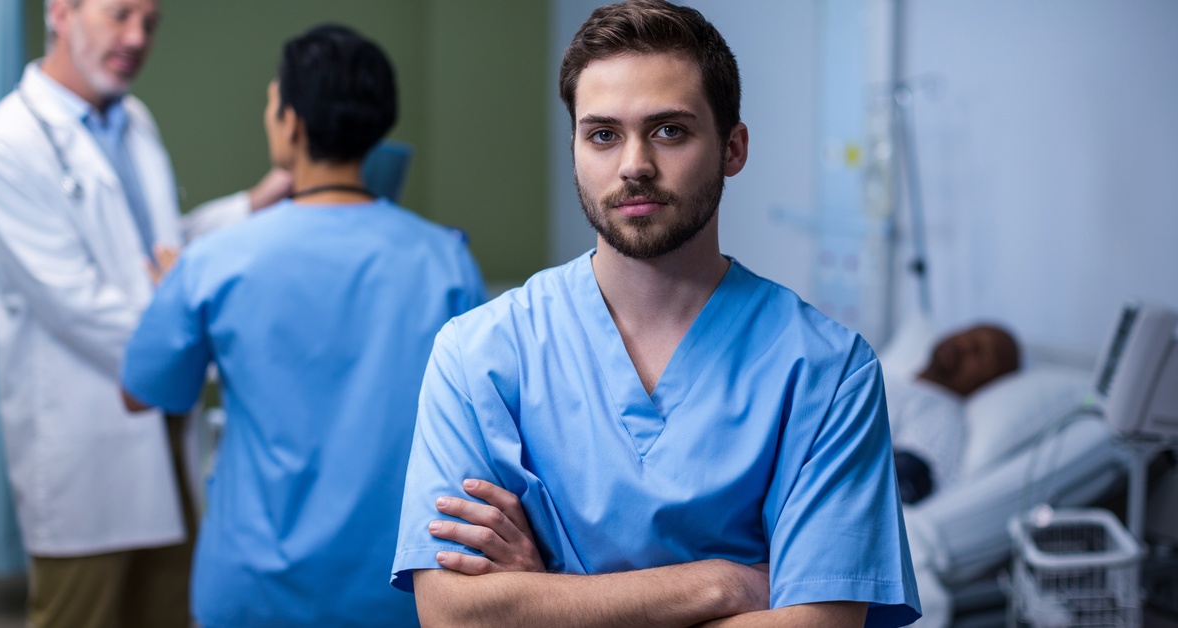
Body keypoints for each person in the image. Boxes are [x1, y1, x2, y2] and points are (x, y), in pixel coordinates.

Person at [392, 1, 920, 625]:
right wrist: (722, 585)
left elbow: (816, 623)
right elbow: (454, 616)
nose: (634, 164)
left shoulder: (828, 372)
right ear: (575, 148)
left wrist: (544, 604)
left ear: (733, 147)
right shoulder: (478, 353)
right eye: (603, 134)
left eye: (669, 130)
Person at [120, 24, 485, 628]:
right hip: (399, 589)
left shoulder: (216, 262)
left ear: (290, 122)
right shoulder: (445, 261)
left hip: (252, 593)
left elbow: (143, 391)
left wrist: (171, 302)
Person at [0, 0, 290, 625]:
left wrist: (258, 202)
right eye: (120, 15)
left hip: (164, 438)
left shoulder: (132, 121)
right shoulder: (4, 143)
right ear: (61, 11)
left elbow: (164, 252)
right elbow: (78, 306)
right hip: (84, 446)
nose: (136, 38)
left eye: (150, 23)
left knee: (172, 611)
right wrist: (196, 327)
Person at [888, 324, 1021, 505]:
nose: (965, 345)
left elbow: (905, 481)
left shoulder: (941, 415)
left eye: (979, 353)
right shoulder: (890, 377)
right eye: (969, 334)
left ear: (989, 383)